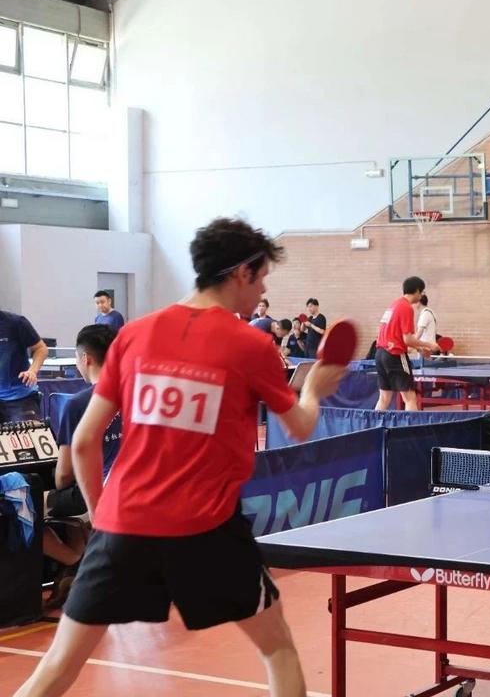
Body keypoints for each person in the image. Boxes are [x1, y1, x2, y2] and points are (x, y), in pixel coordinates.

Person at [14, 217, 346, 697]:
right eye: (262, 277)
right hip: (206, 530)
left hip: (124, 526)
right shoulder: (251, 344)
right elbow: (299, 426)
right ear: (241, 273)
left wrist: (103, 517)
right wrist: (314, 389)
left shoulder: (135, 334)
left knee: (56, 667)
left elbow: (85, 441)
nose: (263, 289)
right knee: (279, 651)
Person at [44, 324, 123, 606]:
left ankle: (75, 560)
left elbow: (63, 475)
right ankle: (74, 573)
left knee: (27, 505)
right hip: (136, 489)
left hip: (102, 494)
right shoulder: (137, 395)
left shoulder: (78, 404)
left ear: (85, 358)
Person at [373, 277, 441, 411]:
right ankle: (411, 425)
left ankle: (375, 424)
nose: (421, 295)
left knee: (384, 398)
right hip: (395, 355)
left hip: (380, 354)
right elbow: (408, 340)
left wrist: (420, 349)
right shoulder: (406, 308)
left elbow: (400, 337)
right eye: (421, 292)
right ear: (417, 291)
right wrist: (429, 345)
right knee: (410, 398)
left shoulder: (393, 305)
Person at [0, 309, 47, 423]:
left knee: (29, 434)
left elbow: (41, 348)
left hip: (20, 398)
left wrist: (32, 371)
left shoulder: (16, 322)